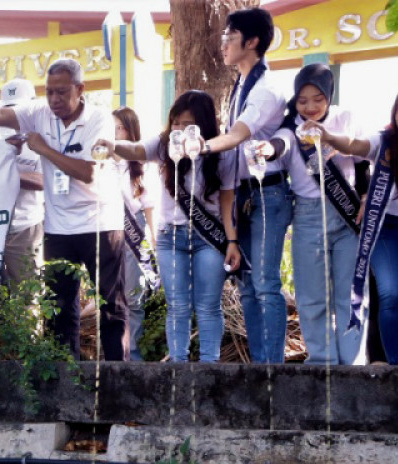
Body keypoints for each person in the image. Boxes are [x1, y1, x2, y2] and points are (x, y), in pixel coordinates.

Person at [0, 58, 128, 360]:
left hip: (100, 223)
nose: (54, 100)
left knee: (110, 305)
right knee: (59, 307)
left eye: (62, 92)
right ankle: (65, 380)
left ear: (80, 89)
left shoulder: (99, 120)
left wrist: (43, 148)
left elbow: (89, 172)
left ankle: (120, 377)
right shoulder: (38, 113)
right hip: (58, 227)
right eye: (50, 92)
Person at [105, 91, 239, 363]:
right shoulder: (164, 144)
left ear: (203, 124)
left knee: (208, 306)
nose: (179, 129)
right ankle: (178, 365)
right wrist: (110, 144)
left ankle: (208, 366)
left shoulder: (221, 153)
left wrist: (232, 241)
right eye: (175, 122)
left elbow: (227, 201)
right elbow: (136, 149)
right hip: (170, 238)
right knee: (177, 306)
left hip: (208, 238)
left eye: (187, 124)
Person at [200, 7, 292, 363]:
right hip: (244, 194)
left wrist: (200, 146)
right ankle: (259, 368)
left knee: (266, 285)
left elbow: (238, 135)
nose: (223, 43)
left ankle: (274, 371)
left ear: (251, 41)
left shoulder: (265, 89)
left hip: (268, 193)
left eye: (230, 36)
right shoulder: (241, 84)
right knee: (249, 287)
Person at [257, 63, 365, 365]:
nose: (310, 107)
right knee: (311, 296)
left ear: (329, 96)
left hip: (348, 215)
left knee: (350, 294)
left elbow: (361, 161)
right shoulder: (291, 127)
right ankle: (323, 360)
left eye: (318, 99)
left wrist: (366, 197)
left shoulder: (346, 118)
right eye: (303, 101)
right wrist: (268, 148)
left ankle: (353, 363)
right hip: (307, 216)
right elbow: (282, 144)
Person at [316, 77, 398, 365]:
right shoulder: (386, 143)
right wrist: (328, 137)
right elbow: (354, 146)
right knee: (392, 294)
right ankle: (393, 366)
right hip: (388, 229)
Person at [113, 106, 158, 360]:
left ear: (129, 131)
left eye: (117, 128)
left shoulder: (141, 163)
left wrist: (152, 238)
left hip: (134, 229)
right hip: (108, 228)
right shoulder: (103, 161)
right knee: (111, 296)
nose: (113, 133)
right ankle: (114, 350)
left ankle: (133, 352)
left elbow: (149, 205)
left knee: (133, 294)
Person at [0, 78, 46, 291]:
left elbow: (46, 181)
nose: (14, 115)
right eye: (8, 109)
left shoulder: (43, 139)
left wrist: (9, 174)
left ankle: (31, 327)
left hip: (27, 226)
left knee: (28, 295)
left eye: (19, 109)